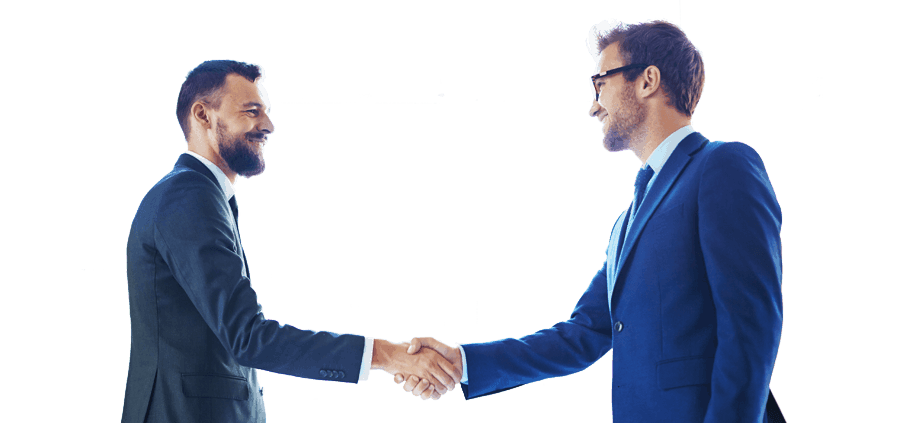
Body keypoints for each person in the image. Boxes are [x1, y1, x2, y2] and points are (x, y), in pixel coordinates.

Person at [401, 21, 786, 422]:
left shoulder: (723, 166)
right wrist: (463, 363)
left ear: (647, 80)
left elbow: (751, 327)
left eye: (600, 82)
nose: (593, 104)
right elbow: (581, 335)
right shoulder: (626, 225)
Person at [122, 60, 460, 423]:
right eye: (252, 112)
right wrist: (387, 354)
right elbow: (248, 338)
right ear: (203, 115)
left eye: (265, 112)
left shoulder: (199, 196)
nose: (267, 126)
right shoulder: (188, 196)